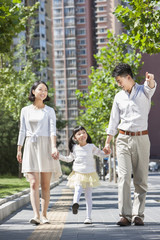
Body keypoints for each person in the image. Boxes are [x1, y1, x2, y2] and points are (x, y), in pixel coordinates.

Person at [103, 63, 157, 226]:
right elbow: (113, 121)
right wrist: (107, 142)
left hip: (141, 138)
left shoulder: (144, 91)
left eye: (120, 80)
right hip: (123, 139)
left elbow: (151, 87)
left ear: (128, 77)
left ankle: (138, 214)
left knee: (141, 178)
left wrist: (151, 80)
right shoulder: (118, 97)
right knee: (124, 177)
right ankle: (125, 215)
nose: (118, 84)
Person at [16, 80, 62, 225]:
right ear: (33, 91)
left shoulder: (49, 111)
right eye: (40, 89)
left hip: (46, 146)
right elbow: (22, 130)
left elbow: (52, 130)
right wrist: (19, 148)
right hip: (30, 145)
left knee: (45, 185)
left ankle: (44, 215)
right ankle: (36, 215)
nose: (43, 92)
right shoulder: (25, 110)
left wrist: (54, 147)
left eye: (46, 90)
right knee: (34, 183)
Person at [57, 126, 109, 224]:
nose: (82, 135)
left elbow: (101, 154)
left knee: (88, 196)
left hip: (90, 174)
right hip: (78, 173)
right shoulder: (74, 148)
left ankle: (88, 218)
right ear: (74, 138)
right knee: (78, 188)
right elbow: (69, 159)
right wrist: (59, 156)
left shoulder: (91, 146)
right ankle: (75, 203)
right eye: (79, 134)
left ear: (87, 134)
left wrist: (107, 152)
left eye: (84, 132)